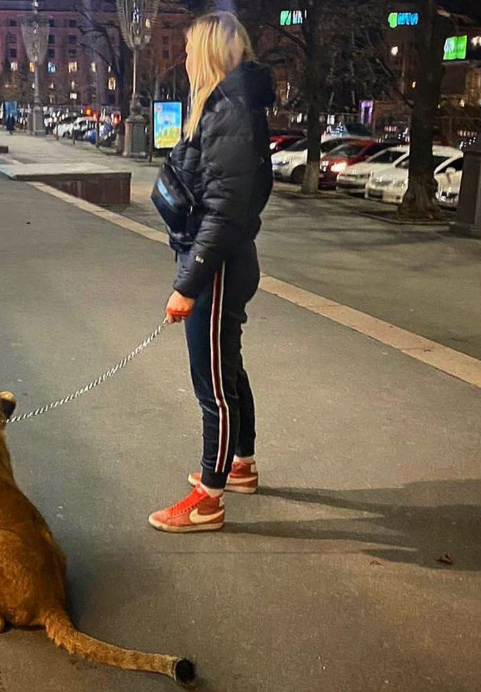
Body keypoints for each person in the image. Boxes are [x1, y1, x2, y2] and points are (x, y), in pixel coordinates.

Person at [148, 11, 274, 533]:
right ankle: (238, 465)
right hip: (224, 259)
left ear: (211, 52)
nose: (183, 58)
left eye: (189, 49)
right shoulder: (230, 104)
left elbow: (224, 210)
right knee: (229, 368)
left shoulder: (230, 109)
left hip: (216, 265)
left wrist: (188, 285)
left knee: (213, 384)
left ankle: (209, 497)